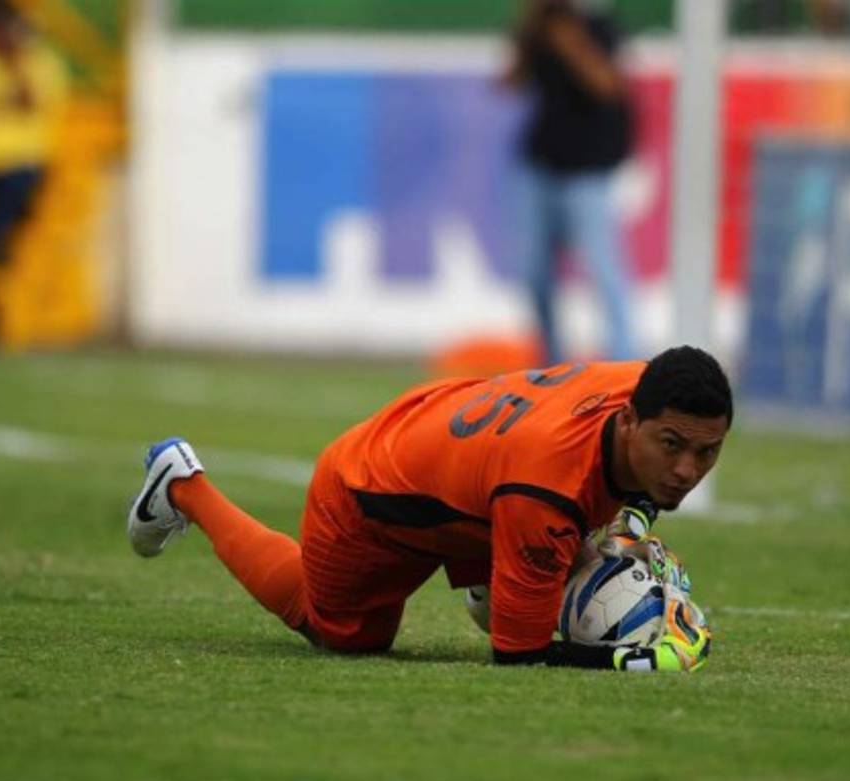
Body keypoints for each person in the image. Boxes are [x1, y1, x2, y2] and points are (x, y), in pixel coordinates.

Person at [127, 346, 732, 672]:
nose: (686, 470)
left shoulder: (646, 387)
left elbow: (634, 474)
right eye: (672, 447)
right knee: (347, 635)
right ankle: (182, 485)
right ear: (628, 419)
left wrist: (632, 523)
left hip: (458, 446)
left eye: (707, 452)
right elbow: (518, 656)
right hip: (366, 492)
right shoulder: (545, 490)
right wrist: (637, 659)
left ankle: (502, 577)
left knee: (559, 546)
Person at [503, 0, 636, 365]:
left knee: (604, 267)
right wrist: (530, 32)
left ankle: (624, 359)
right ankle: (551, 362)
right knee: (534, 272)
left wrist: (571, 42)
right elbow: (509, 82)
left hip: (587, 170)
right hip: (541, 166)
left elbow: (608, 85)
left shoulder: (596, 25)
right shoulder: (539, 28)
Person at [0, 0, 66, 270]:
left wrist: (14, 61)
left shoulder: (35, 59)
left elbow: (31, 101)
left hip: (21, 161)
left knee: (12, 198)